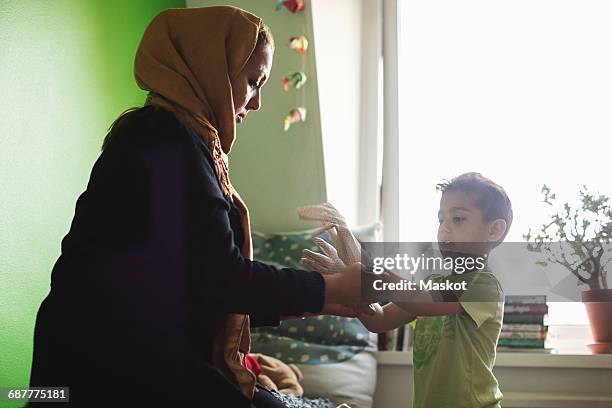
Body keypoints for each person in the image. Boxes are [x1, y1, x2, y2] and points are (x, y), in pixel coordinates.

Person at [28, 6, 369, 408]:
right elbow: (220, 278)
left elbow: (191, 285)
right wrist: (328, 289)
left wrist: (317, 300)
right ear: (211, 69)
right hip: (97, 371)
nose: (256, 103)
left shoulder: (177, 138)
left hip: (120, 358)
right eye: (253, 81)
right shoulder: (163, 139)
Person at [301, 172, 513, 408]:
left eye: (459, 219)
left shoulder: (483, 285)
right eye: (441, 220)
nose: (445, 228)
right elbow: (379, 320)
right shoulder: (434, 282)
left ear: (494, 230)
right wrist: (349, 287)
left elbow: (419, 301)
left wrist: (353, 260)